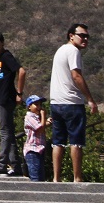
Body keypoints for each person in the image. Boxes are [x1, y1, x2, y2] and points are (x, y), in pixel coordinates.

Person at [49, 23, 98, 182]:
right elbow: (76, 76)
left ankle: (56, 178)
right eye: (81, 35)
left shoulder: (60, 50)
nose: (85, 39)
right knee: (76, 141)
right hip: (71, 102)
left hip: (56, 102)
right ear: (71, 36)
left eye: (86, 36)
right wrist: (90, 99)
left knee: (58, 142)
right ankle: (77, 177)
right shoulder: (73, 51)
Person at [0, 30, 26, 176]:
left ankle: (2, 166)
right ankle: (16, 167)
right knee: (9, 133)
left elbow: (21, 71)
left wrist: (19, 93)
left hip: (6, 99)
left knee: (5, 133)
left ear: (2, 42)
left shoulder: (6, 56)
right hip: (1, 99)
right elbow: (3, 76)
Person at [23, 95, 50, 182]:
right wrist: (43, 115)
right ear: (29, 107)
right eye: (36, 105)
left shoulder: (37, 118)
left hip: (40, 149)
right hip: (32, 150)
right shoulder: (29, 117)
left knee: (41, 176)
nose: (39, 107)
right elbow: (39, 128)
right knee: (35, 177)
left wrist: (47, 122)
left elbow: (42, 126)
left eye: (40, 105)